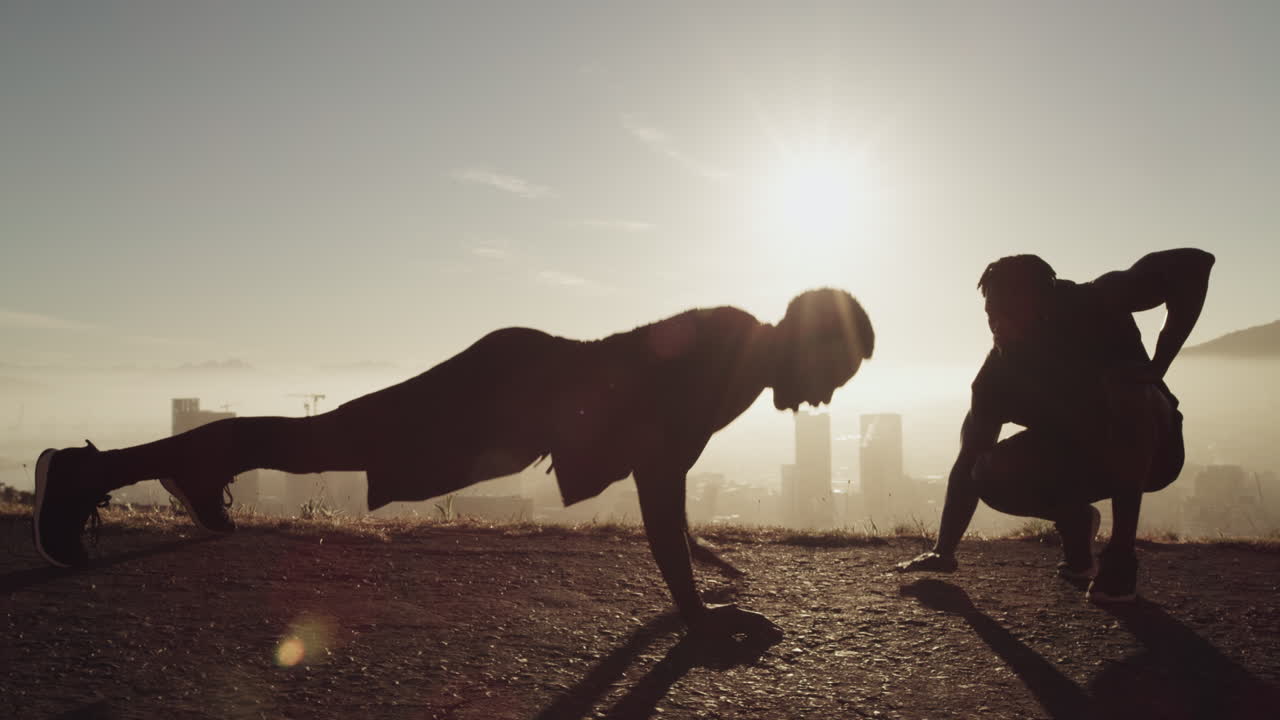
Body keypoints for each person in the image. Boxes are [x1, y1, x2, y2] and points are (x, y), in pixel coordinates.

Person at [34, 288, 874, 639]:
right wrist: (693, 613)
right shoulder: (731, 351)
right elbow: (660, 473)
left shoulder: (738, 354)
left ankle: (161, 470)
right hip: (500, 395)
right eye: (834, 378)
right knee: (313, 443)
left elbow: (661, 460)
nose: (825, 399)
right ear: (812, 348)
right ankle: (83, 474)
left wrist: (690, 562)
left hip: (510, 396)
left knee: (314, 445)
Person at [896, 249, 1214, 602]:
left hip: (1157, 451)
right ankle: (1076, 527)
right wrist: (943, 551)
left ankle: (1120, 558)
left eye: (1011, 312)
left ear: (1044, 302)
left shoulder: (1095, 301)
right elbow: (970, 457)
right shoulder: (997, 375)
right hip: (1079, 459)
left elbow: (1194, 263)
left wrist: (1158, 366)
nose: (999, 325)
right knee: (987, 471)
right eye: (991, 314)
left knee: (1127, 387)